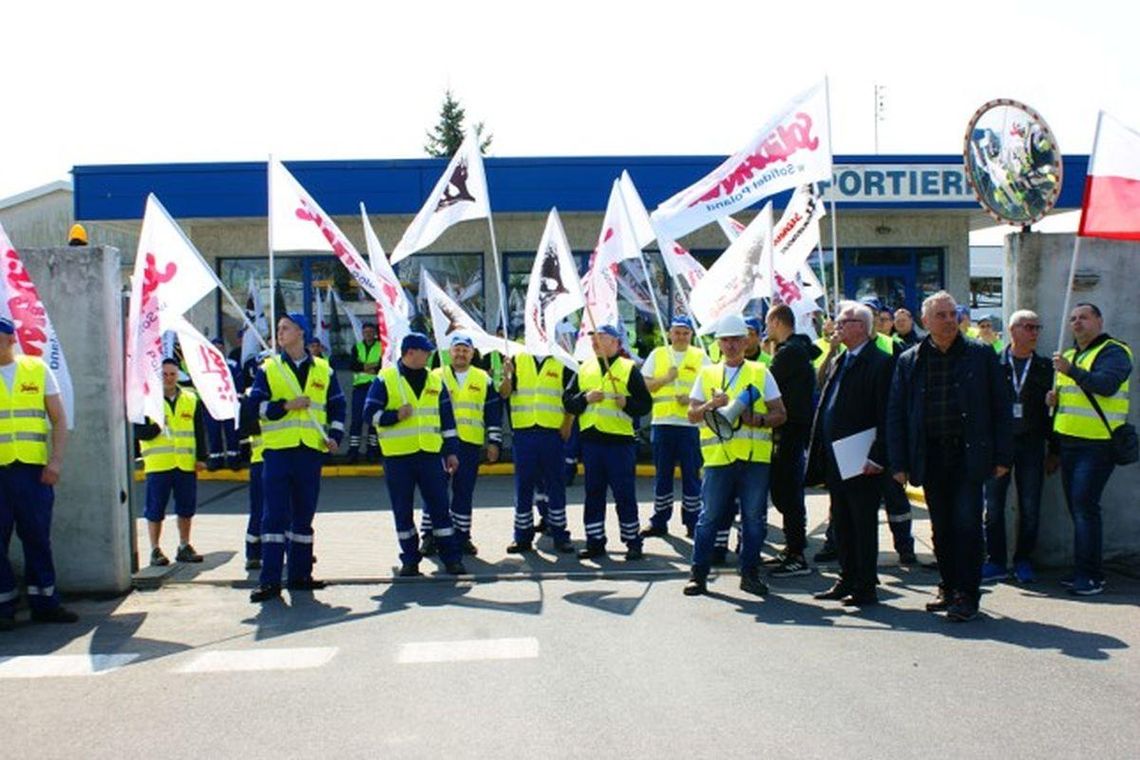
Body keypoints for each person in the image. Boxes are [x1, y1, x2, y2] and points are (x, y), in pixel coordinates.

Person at [888, 292, 1012, 622]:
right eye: (940, 315)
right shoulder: (911, 359)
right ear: (924, 321)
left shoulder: (980, 354)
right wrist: (898, 462)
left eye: (951, 314)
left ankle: (967, 594)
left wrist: (1002, 455)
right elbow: (897, 413)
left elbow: (1001, 406)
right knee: (941, 527)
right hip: (930, 455)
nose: (948, 320)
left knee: (968, 525)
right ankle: (948, 585)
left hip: (968, 455)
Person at [683, 314, 786, 596]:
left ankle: (749, 574)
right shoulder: (707, 374)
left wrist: (758, 420)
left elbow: (780, 414)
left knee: (754, 520)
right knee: (708, 518)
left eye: (736, 340)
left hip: (754, 459)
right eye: (725, 340)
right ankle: (698, 575)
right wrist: (710, 404)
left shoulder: (760, 372)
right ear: (718, 344)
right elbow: (691, 415)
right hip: (718, 458)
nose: (730, 345)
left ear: (746, 342)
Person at [247, 313, 345, 602]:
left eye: (286, 328)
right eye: (278, 329)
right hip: (278, 452)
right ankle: (270, 581)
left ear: (301, 333)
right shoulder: (269, 368)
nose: (280, 333)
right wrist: (287, 405)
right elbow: (256, 408)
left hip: (310, 452)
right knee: (274, 516)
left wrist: (335, 437)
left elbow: (338, 407)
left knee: (304, 515)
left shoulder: (324, 371)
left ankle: (301, 575)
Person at [808, 301, 894, 606]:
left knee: (862, 522)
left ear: (861, 326)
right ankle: (846, 577)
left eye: (843, 322)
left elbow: (887, 414)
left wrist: (878, 455)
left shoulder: (881, 362)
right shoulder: (840, 359)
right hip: (837, 455)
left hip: (862, 456)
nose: (837, 327)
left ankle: (865, 584)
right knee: (841, 521)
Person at [1047, 302, 1133, 596]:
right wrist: (1054, 402)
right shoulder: (1070, 355)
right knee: (1078, 508)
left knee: (1084, 508)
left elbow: (1106, 385)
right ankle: (1084, 569)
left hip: (1098, 445)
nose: (1077, 323)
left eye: (1084, 317)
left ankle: (1091, 575)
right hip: (1070, 443)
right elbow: (1070, 402)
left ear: (1099, 320)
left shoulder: (1114, 351)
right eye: (1073, 319)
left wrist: (1071, 371)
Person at [364, 332, 467, 577]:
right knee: (403, 510)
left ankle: (451, 559)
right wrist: (394, 416)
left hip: (430, 455)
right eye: (426, 351)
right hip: (398, 457)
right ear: (411, 352)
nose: (430, 355)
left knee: (440, 508)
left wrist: (451, 452)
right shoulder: (386, 379)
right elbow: (369, 414)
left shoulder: (434, 381)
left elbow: (447, 421)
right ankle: (410, 560)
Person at [0, 317, 77, 629]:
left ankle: (45, 602)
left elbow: (58, 419)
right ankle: (4, 607)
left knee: (37, 538)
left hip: (32, 474)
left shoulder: (36, 369)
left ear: (10, 339)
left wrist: (55, 462)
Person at [564, 324, 653, 560]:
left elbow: (645, 405)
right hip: (592, 442)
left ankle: (633, 541)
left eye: (600, 338)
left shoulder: (628, 368)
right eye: (592, 337)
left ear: (615, 342)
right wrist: (585, 398)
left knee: (624, 494)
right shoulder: (584, 368)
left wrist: (628, 404)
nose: (594, 342)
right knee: (593, 494)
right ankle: (595, 541)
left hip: (619, 443)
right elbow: (568, 401)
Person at [982, 310, 1054, 584]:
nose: (1034, 332)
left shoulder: (1045, 368)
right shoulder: (994, 363)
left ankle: (1024, 559)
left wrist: (1054, 450)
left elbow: (1054, 415)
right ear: (1012, 330)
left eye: (1038, 327)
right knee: (994, 505)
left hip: (1032, 444)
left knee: (1030, 505)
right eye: (1028, 327)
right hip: (999, 444)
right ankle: (996, 560)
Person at [419, 334, 502, 556]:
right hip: (440, 443)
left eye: (466, 350)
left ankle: (462, 536)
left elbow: (493, 412)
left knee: (464, 491)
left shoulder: (483, 378)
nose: (461, 353)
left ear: (472, 353)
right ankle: (429, 536)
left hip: (469, 443)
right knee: (434, 491)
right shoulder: (435, 376)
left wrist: (494, 441)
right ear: (449, 352)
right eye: (457, 349)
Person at [500, 349, 576, 554]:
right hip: (524, 432)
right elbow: (504, 393)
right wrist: (507, 374)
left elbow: (571, 398)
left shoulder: (562, 360)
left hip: (552, 433)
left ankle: (560, 534)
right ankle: (522, 536)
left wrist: (568, 423)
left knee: (556, 484)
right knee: (524, 486)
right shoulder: (516, 358)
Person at [639, 315, 708, 539]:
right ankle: (659, 520)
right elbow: (644, 385)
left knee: (691, 475)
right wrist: (666, 379)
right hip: (662, 424)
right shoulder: (658, 355)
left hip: (690, 425)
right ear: (669, 333)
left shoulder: (700, 356)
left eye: (685, 333)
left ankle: (692, 521)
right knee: (663, 476)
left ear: (691, 335)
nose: (680, 336)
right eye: (677, 332)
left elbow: (712, 387)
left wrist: (690, 399)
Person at [764, 304, 820, 578]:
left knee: (787, 491)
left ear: (776, 322)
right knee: (785, 490)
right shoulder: (797, 351)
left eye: (767, 322)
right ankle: (792, 547)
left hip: (789, 430)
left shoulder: (790, 354)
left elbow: (767, 386)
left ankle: (797, 554)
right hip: (792, 429)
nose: (765, 329)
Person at [134, 358, 208, 567]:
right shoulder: (147, 399)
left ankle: (184, 545)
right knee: (155, 509)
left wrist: (202, 457)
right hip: (159, 464)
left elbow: (199, 431)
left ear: (178, 375)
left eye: (172, 374)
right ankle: (155, 549)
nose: (168, 378)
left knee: (186, 507)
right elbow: (138, 433)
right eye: (164, 374)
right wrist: (157, 426)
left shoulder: (191, 398)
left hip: (185, 463)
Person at [203, 338, 242, 470]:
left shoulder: (232, 364)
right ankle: (216, 460)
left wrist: (238, 399)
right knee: (213, 433)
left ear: (224, 349)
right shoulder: (205, 366)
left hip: (229, 404)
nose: (218, 350)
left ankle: (234, 459)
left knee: (232, 432)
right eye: (215, 347)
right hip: (212, 405)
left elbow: (239, 382)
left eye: (220, 347)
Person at [346, 322, 382, 464]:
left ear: (374, 333)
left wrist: (364, 366)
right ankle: (353, 452)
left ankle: (372, 451)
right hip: (360, 388)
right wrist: (369, 366)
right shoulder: (357, 347)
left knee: (374, 420)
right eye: (365, 331)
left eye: (370, 331)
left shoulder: (381, 346)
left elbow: (382, 365)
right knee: (357, 421)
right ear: (362, 333)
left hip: (375, 387)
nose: (368, 334)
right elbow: (352, 365)